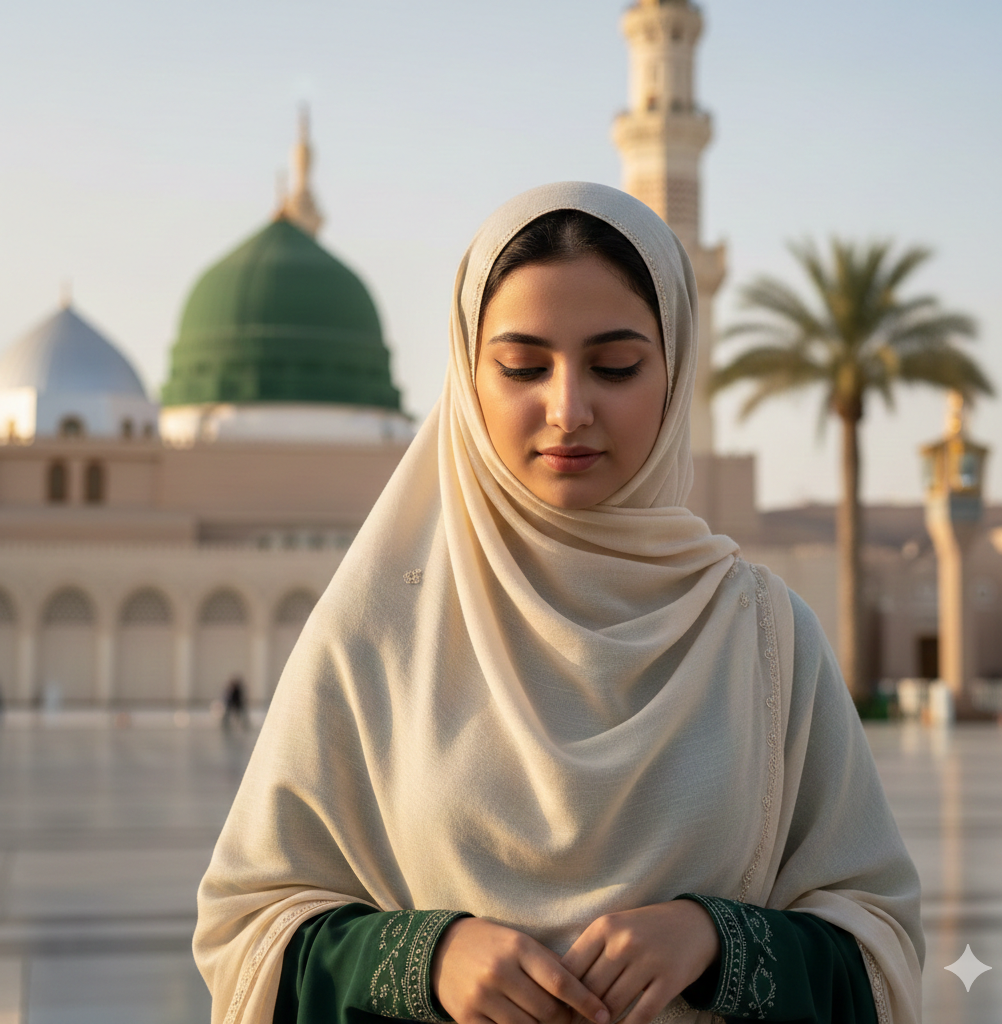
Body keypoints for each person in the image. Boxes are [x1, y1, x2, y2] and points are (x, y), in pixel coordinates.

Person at [194, 183, 923, 1024]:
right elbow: (246, 928)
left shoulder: (763, 637)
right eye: (522, 367)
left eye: (616, 367)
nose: (569, 410)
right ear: (467, 382)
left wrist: (715, 943)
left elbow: (879, 940)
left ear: (677, 367)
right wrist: (426, 961)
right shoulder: (380, 632)